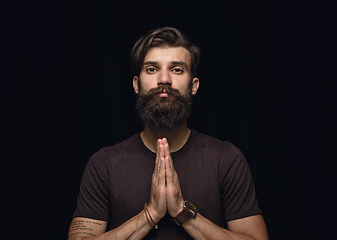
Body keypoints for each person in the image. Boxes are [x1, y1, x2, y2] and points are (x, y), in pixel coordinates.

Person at [68, 27, 268, 240]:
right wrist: (150, 214)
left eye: (177, 70)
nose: (164, 79)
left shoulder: (226, 159)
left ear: (194, 85)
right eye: (152, 69)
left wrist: (183, 211)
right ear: (136, 84)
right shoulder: (104, 164)